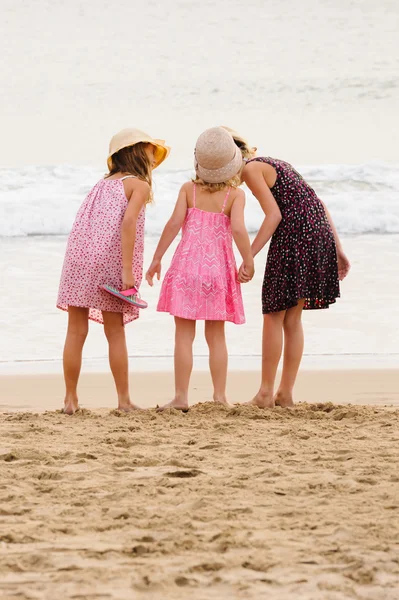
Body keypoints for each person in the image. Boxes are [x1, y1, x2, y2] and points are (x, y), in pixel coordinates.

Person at [222, 126, 350, 408]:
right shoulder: (276, 162)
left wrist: (248, 256)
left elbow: (274, 215)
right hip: (318, 233)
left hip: (295, 236)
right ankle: (285, 393)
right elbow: (318, 203)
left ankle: (266, 393)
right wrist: (337, 247)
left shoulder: (251, 170)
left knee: (273, 314)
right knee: (292, 319)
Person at [57, 128, 170, 414]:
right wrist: (127, 273)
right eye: (148, 149)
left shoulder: (102, 183)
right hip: (107, 263)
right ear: (135, 152)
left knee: (75, 330)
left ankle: (70, 400)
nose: (151, 155)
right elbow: (128, 224)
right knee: (115, 331)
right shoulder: (139, 185)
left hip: (77, 259)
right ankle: (123, 401)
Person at [146, 127, 254, 411]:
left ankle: (181, 397)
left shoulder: (188, 190)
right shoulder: (235, 196)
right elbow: (240, 230)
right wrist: (248, 259)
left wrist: (157, 258)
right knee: (216, 337)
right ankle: (220, 397)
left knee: (183, 336)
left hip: (185, 270)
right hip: (217, 272)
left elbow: (172, 225)